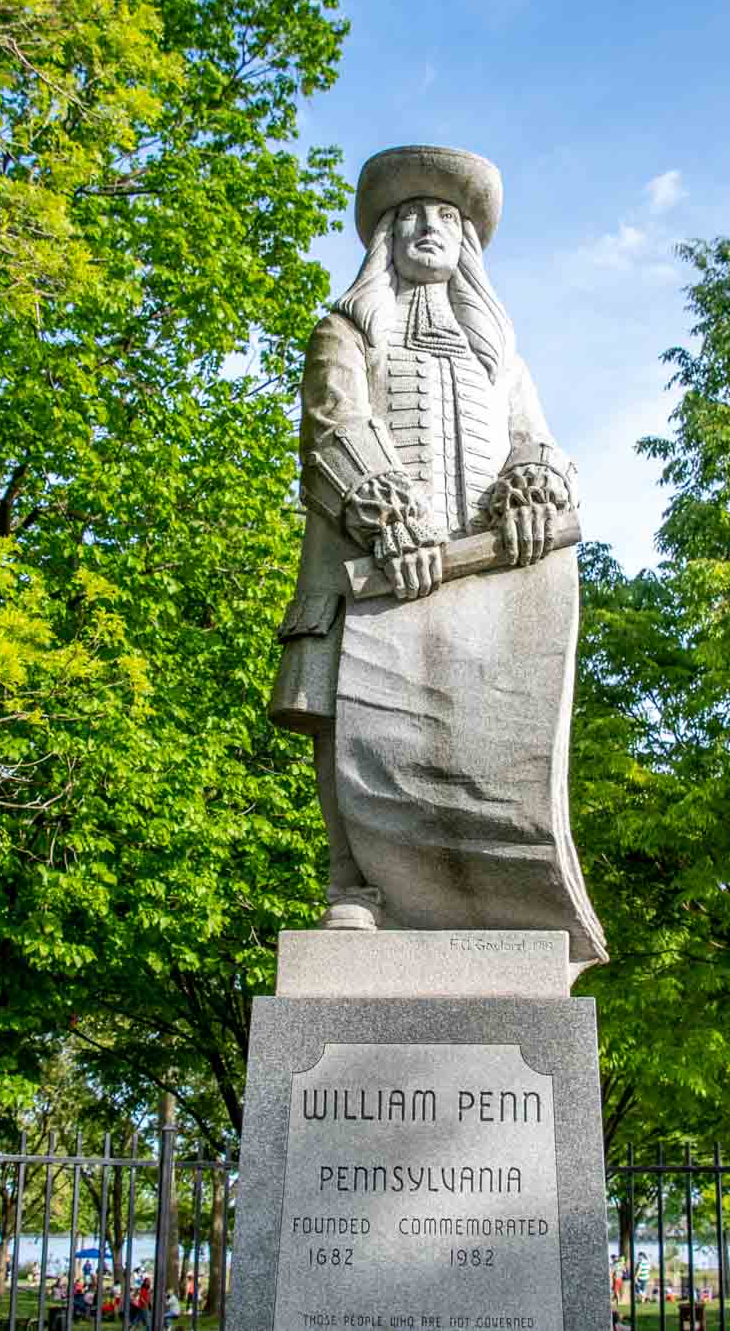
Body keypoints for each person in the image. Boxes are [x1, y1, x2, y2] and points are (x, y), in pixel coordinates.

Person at [267, 144, 606, 968]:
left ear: (467, 246)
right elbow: (332, 428)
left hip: (479, 584)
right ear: (385, 237)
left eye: (446, 218)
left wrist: (531, 489)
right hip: (373, 572)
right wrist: (386, 515)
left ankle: (476, 883)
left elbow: (541, 445)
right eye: (410, 214)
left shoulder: (502, 360)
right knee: (346, 718)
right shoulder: (348, 331)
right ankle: (355, 886)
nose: (428, 226)